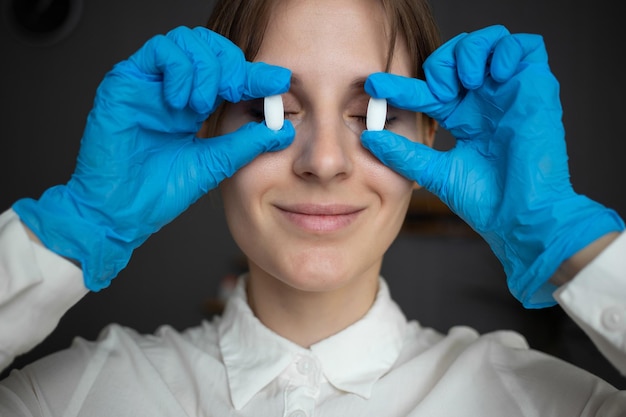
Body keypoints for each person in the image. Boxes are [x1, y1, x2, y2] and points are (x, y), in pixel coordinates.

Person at [1, 0, 625, 415]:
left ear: (428, 136)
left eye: (373, 115)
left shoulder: (553, 406)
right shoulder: (65, 401)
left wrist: (566, 241)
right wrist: (74, 230)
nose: (324, 161)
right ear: (210, 128)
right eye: (272, 110)